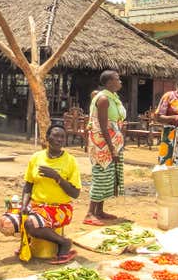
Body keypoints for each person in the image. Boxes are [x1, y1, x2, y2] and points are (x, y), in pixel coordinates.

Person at [20, 125, 81, 264]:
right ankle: (25, 244)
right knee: (6, 222)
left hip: (59, 208)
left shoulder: (70, 161)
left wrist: (57, 177)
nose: (59, 139)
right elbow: (28, 185)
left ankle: (64, 243)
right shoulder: (36, 157)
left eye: (62, 137)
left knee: (31, 223)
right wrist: (23, 205)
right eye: (55, 136)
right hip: (36, 206)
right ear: (47, 138)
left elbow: (75, 193)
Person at [84, 70, 126, 226]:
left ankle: (99, 211)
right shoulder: (103, 99)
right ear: (109, 83)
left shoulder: (112, 98)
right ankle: (89, 213)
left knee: (108, 176)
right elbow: (102, 126)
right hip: (103, 145)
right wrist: (112, 149)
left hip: (112, 142)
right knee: (101, 176)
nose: (120, 81)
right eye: (117, 79)